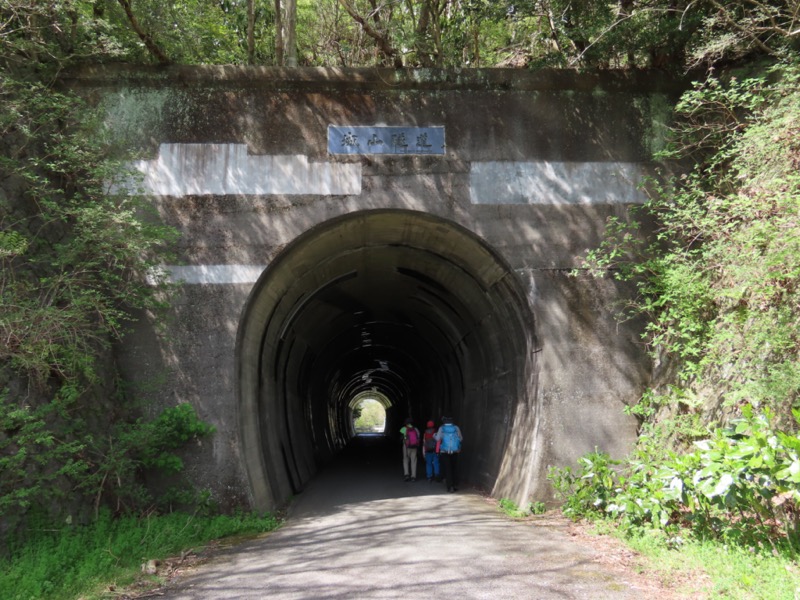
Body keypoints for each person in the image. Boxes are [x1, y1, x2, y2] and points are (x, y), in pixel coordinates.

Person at [435, 416, 462, 492]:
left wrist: (434, 435)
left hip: (445, 452)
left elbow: (437, 439)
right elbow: (461, 438)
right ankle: (453, 485)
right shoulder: (456, 428)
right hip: (455, 451)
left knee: (447, 469)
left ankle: (449, 487)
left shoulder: (441, 428)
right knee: (453, 468)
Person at [399, 417, 420, 482]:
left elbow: (401, 437)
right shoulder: (416, 429)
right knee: (413, 461)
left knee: (405, 460)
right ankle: (413, 476)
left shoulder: (404, 428)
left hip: (406, 446)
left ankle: (406, 474)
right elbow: (418, 437)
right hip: (414, 447)